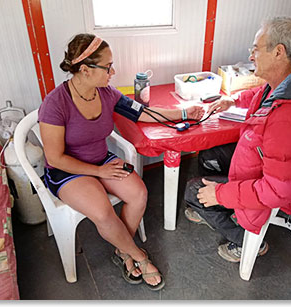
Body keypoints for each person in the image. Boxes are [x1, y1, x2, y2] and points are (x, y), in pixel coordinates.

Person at [38, 33, 204, 290]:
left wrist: (183, 113)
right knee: (103, 212)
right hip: (67, 171)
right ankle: (138, 255)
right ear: (84, 70)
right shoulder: (55, 104)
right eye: (107, 66)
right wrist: (98, 171)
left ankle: (121, 252)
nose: (113, 71)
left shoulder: (106, 94)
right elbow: (54, 157)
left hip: (101, 160)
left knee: (138, 193)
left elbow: (142, 113)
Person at [184, 17, 291, 263]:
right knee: (209, 157)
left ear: (279, 52)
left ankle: (245, 241)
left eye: (255, 48)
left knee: (194, 192)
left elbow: (279, 190)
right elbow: (261, 94)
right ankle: (227, 208)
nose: (251, 55)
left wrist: (221, 195)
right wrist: (233, 100)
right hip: (270, 164)